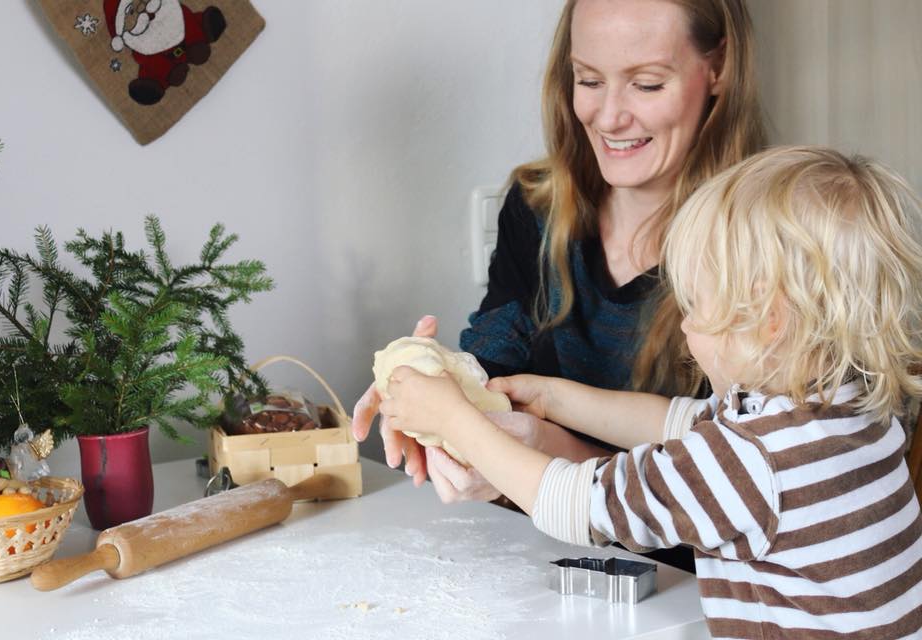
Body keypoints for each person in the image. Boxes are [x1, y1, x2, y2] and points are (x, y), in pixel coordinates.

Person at [381, 146, 922, 638]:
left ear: (768, 319)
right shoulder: (845, 411)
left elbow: (575, 504)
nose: (684, 325)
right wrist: (553, 398)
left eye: (697, 306)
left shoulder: (753, 463)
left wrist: (454, 422)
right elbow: (678, 422)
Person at [353, 0, 766, 517]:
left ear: (718, 67)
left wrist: (540, 449)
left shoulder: (767, 251)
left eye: (647, 84)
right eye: (589, 80)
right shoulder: (537, 207)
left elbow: (733, 489)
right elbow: (495, 368)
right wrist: (431, 385)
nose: (609, 116)